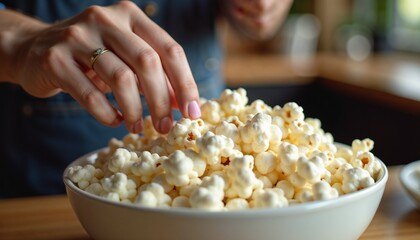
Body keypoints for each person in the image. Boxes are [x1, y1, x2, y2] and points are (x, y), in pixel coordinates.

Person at [0, 0, 292, 198]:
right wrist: (21, 42)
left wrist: (261, 8)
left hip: (218, 162)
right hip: (43, 195)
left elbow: (256, 18)